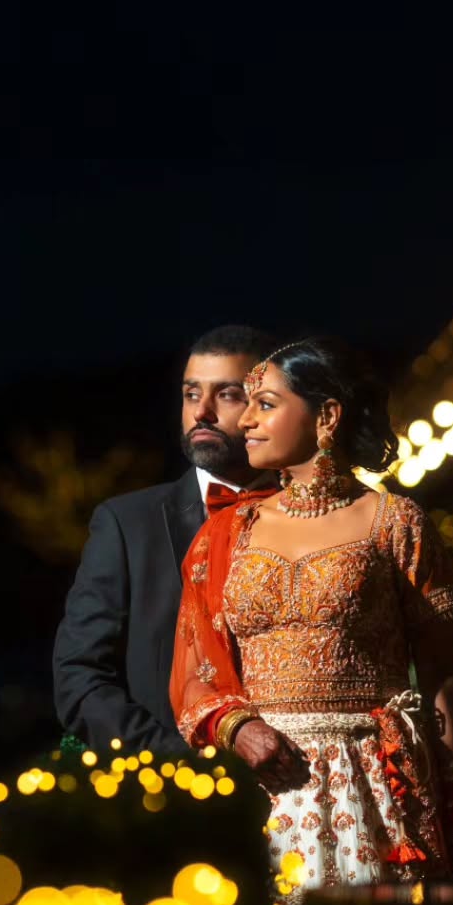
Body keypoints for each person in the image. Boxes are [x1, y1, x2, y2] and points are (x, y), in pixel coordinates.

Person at [171, 335, 453, 887]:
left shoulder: (396, 524)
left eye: (265, 404)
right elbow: (197, 667)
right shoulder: (226, 533)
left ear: (327, 416)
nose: (244, 421)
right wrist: (239, 729)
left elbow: (444, 677)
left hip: (376, 786)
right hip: (258, 785)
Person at [53, 323, 277, 757]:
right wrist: (180, 762)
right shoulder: (126, 524)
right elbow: (80, 676)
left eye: (227, 395)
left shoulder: (322, 516)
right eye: (191, 394)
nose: (202, 413)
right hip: (180, 792)